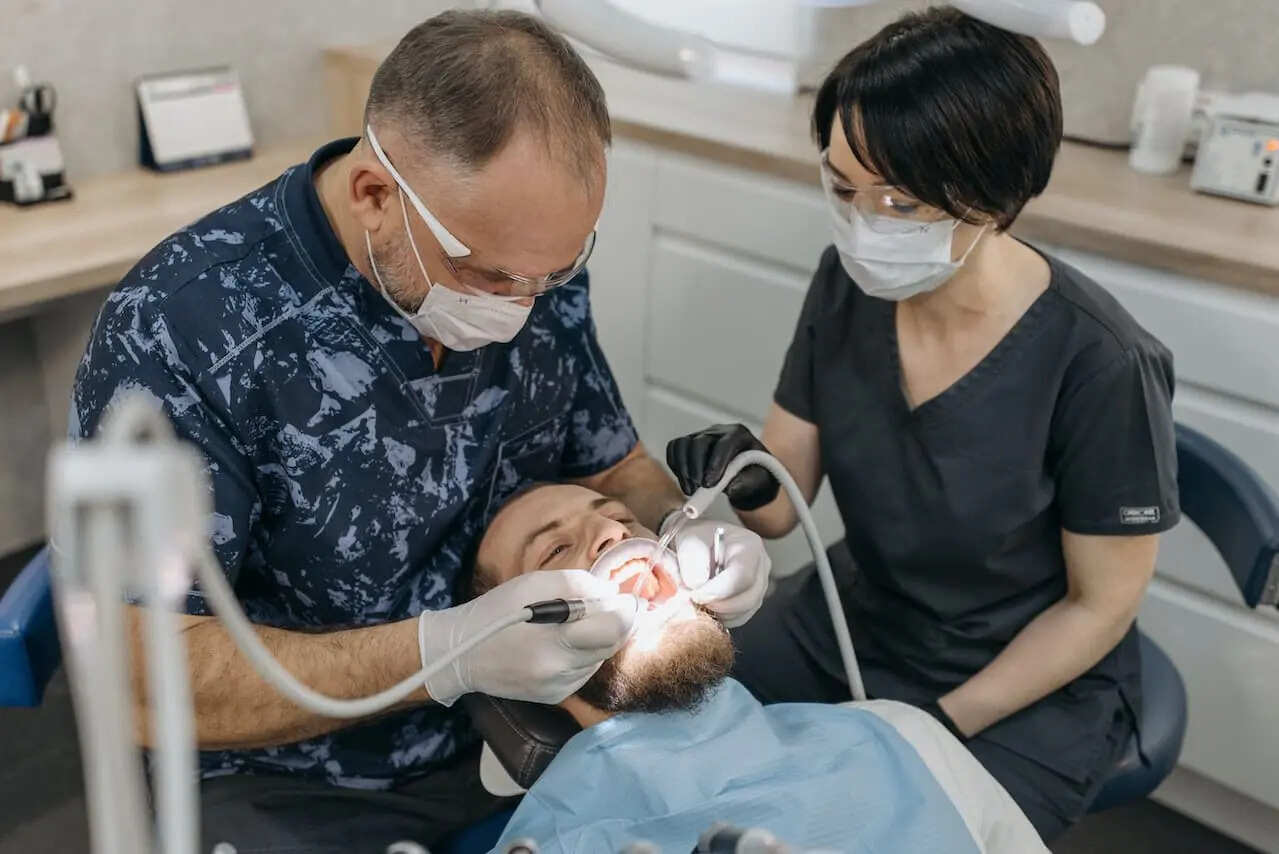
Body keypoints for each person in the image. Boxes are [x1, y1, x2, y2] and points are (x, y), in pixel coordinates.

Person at [69, 10, 770, 851]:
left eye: (553, 275)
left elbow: (612, 466)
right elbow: (145, 682)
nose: (519, 310)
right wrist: (446, 654)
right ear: (375, 195)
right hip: (291, 777)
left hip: (530, 726)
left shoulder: (527, 268)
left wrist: (689, 532)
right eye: (489, 277)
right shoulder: (184, 330)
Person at [666, 7, 1179, 840]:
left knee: (887, 828)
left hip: (1019, 682)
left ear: (994, 200)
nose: (862, 223)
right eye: (841, 187)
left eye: (899, 201)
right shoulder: (845, 284)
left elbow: (1098, 609)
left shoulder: (1100, 361)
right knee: (668, 730)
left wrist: (937, 724)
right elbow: (780, 505)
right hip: (854, 622)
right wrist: (743, 473)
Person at [465, 483, 1048, 854]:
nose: (613, 534)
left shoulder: (896, 734)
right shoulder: (558, 844)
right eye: (554, 552)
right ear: (520, 656)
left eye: (619, 517)